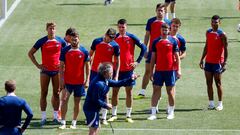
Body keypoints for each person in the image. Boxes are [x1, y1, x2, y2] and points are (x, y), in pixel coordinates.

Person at [108, 19, 146, 123]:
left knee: (129, 92)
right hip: (116, 70)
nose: (121, 29)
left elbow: (144, 48)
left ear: (126, 26)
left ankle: (128, 115)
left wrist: (137, 62)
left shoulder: (132, 37)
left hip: (129, 69)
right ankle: (114, 114)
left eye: (123, 27)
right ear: (117, 27)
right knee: (115, 92)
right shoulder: (114, 38)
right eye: (119, 27)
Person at [28, 22, 67, 126]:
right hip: (45, 71)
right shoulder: (42, 41)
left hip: (57, 71)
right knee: (43, 93)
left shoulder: (61, 41)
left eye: (54, 28)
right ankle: (43, 117)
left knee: (56, 93)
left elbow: (66, 53)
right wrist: (38, 65)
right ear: (47, 29)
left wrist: (63, 65)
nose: (52, 30)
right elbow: (30, 53)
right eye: (50, 28)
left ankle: (55, 116)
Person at [83, 63, 139, 135]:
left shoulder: (105, 80)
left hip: (93, 109)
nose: (112, 74)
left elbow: (118, 83)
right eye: (111, 72)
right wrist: (106, 105)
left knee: (95, 128)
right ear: (105, 73)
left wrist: (131, 79)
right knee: (93, 130)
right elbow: (95, 99)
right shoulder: (99, 84)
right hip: (91, 109)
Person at [147, 23, 181, 120]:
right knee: (156, 90)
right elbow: (153, 57)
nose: (165, 31)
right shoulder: (155, 41)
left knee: (170, 92)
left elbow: (177, 57)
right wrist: (151, 71)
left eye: (166, 30)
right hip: (158, 71)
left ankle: (171, 112)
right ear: (160, 30)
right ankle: (153, 113)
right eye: (163, 30)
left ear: (169, 30)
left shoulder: (173, 41)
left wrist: (178, 70)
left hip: (170, 71)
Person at [136, 3, 170, 99]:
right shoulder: (151, 21)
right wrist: (145, 49)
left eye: (162, 10)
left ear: (165, 12)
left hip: (163, 53)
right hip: (151, 51)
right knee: (147, 71)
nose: (160, 12)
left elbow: (170, 38)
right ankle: (142, 92)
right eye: (158, 10)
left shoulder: (168, 22)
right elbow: (147, 35)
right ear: (156, 11)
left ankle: (157, 93)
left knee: (160, 73)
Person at [59, 30, 90, 129]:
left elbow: (88, 67)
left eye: (76, 40)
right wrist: (61, 79)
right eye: (72, 40)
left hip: (79, 82)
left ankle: (74, 122)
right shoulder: (65, 50)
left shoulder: (84, 51)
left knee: (77, 102)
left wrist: (87, 80)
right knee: (64, 100)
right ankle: (63, 122)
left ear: (79, 39)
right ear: (70, 40)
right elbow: (61, 66)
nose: (74, 41)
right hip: (68, 82)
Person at [89, 28, 120, 125]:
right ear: (105, 34)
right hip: (94, 71)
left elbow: (118, 61)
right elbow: (89, 56)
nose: (110, 39)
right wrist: (88, 70)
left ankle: (104, 117)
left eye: (112, 38)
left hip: (106, 73)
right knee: (92, 93)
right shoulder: (96, 41)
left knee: (105, 94)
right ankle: (92, 116)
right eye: (109, 37)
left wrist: (116, 75)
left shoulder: (115, 45)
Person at [199, 15, 228, 111]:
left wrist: (225, 62)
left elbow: (226, 49)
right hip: (208, 62)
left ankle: (220, 104)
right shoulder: (208, 32)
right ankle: (211, 103)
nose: (214, 24)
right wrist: (202, 59)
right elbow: (206, 46)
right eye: (212, 22)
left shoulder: (222, 34)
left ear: (219, 23)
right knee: (208, 83)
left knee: (218, 83)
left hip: (218, 62)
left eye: (216, 22)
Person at [58, 27, 77, 120]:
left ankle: (59, 111)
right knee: (59, 91)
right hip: (61, 71)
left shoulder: (70, 44)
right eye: (72, 38)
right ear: (68, 36)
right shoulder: (61, 43)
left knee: (63, 92)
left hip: (68, 71)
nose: (74, 40)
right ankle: (57, 112)